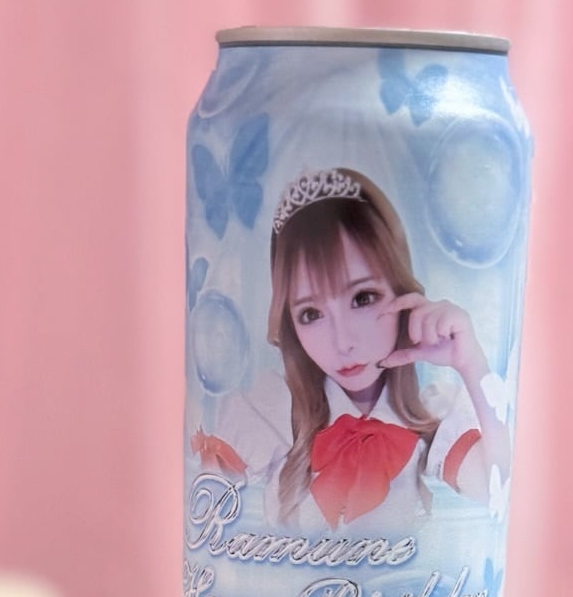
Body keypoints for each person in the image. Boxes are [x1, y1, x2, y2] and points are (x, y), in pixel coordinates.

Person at [190, 167, 511, 531]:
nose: (342, 343)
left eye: (363, 298)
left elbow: (498, 488)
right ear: (290, 323)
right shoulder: (270, 411)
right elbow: (208, 516)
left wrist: (471, 363)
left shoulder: (431, 413)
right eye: (311, 314)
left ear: (400, 290)